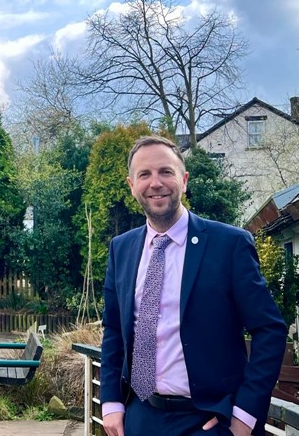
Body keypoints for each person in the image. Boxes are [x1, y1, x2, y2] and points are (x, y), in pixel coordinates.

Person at [100, 135, 287, 436]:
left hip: (208, 421)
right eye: (144, 174)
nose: (156, 183)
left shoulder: (229, 245)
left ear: (184, 180)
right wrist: (110, 402)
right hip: (140, 417)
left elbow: (270, 329)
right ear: (131, 185)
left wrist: (244, 415)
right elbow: (113, 330)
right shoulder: (121, 249)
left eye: (166, 172)